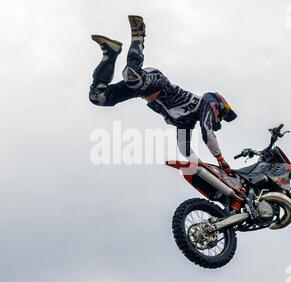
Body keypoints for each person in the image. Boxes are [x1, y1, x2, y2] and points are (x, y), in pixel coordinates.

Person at [88, 15, 237, 175]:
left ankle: (110, 52)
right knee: (132, 76)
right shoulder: (206, 103)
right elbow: (207, 133)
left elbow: (183, 147)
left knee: (98, 97)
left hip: (141, 90)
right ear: (219, 105)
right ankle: (139, 34)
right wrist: (221, 160)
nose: (219, 120)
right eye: (221, 116)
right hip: (156, 82)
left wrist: (202, 168)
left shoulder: (185, 122)